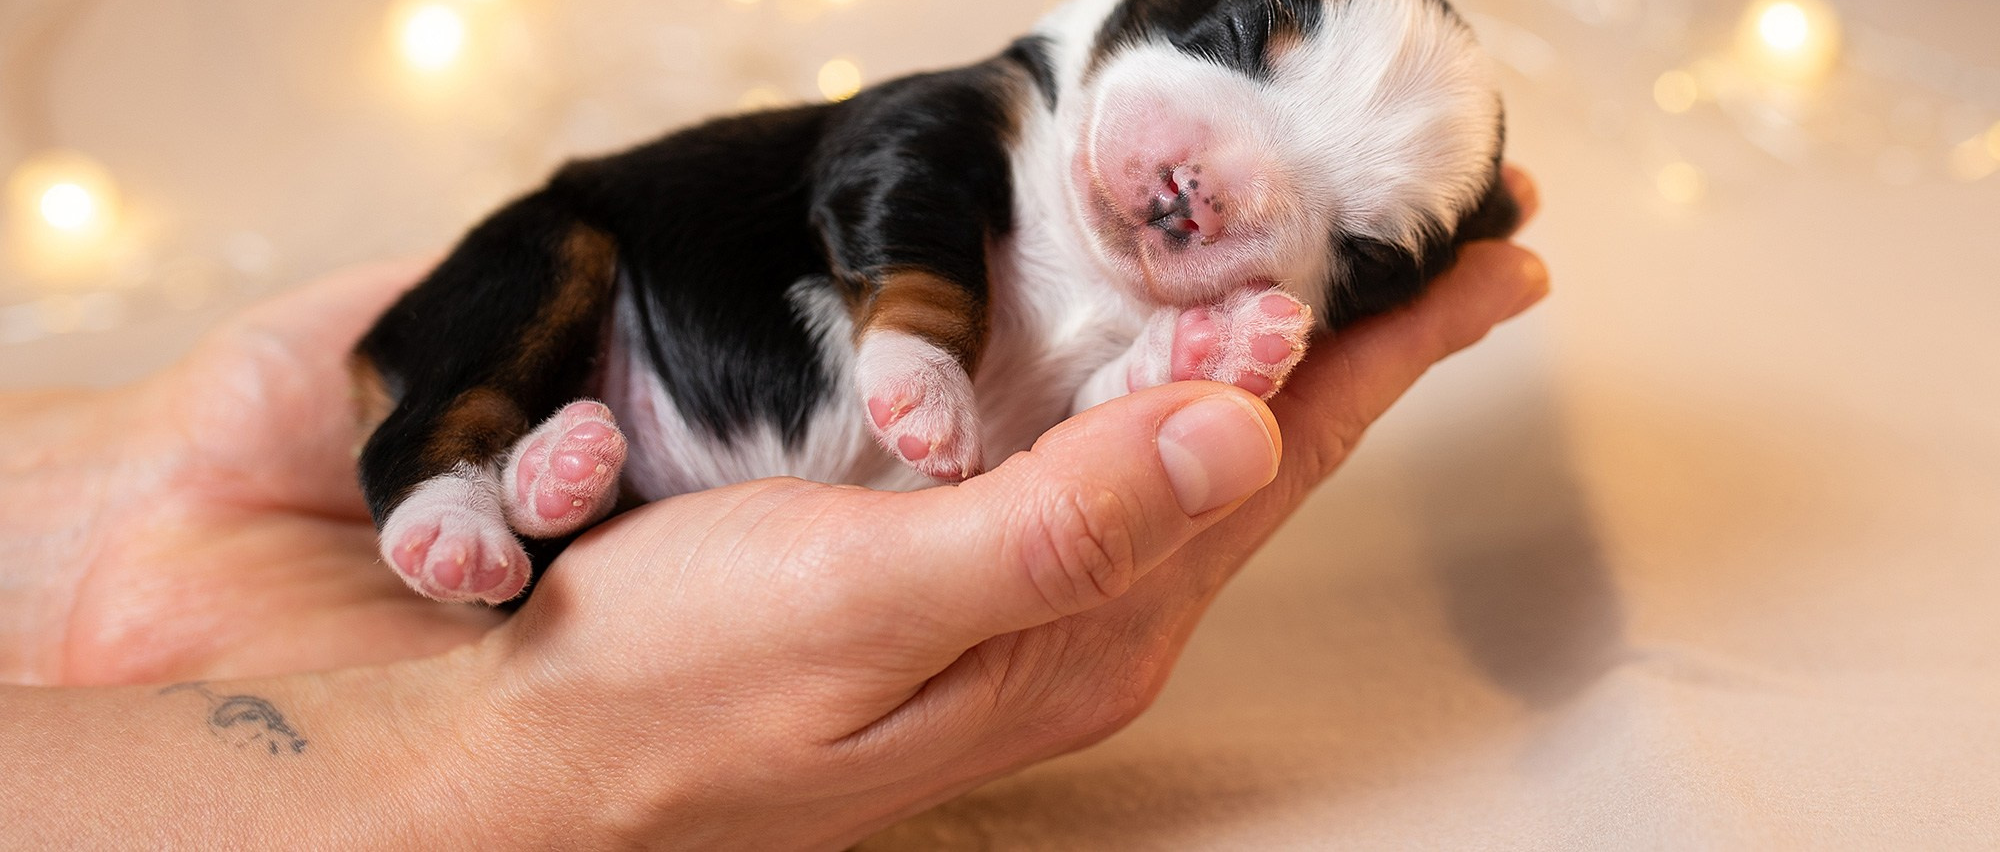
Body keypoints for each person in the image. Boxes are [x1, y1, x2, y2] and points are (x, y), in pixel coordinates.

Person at [0, 171, 1545, 847]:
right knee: (511, 346)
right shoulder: (987, 119)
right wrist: (482, 769)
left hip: (637, 440)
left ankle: (484, 497)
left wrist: (124, 497)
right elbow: (896, 203)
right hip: (627, 336)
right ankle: (443, 476)